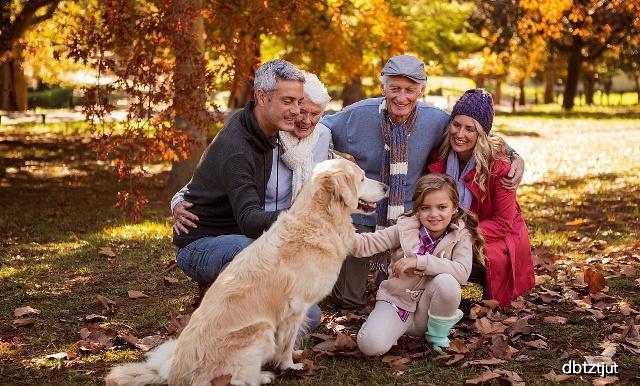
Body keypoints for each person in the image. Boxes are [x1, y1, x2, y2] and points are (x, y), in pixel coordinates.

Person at [317, 54, 525, 310]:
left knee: (397, 296)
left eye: (410, 90)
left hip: (408, 222)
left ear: (421, 90)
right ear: (383, 87)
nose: (401, 97)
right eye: (394, 88)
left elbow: (477, 130)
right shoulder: (358, 115)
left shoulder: (436, 121)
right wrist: (327, 164)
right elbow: (320, 128)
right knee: (348, 300)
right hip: (363, 217)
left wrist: (514, 155)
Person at [171, 66, 332, 329]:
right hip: (202, 244)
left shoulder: (263, 128)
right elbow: (248, 219)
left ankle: (259, 323)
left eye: (299, 102)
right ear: (262, 97)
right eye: (287, 101)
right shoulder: (238, 149)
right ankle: (226, 331)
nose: (297, 111)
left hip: (242, 240)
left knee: (308, 316)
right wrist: (305, 217)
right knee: (256, 257)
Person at [350, 174, 485, 355]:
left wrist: (419, 261)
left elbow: (461, 272)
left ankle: (437, 335)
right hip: (397, 302)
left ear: (454, 208)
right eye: (426, 208)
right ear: (417, 210)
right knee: (370, 346)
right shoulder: (405, 229)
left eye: (442, 207)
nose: (434, 214)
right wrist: (336, 233)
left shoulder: (462, 234)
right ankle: (390, 327)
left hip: (429, 312)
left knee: (447, 282)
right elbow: (367, 244)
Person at [427, 88, 535, 307]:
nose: (460, 134)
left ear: (481, 133)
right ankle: (454, 291)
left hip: (490, 240)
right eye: (456, 125)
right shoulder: (439, 157)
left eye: (470, 129)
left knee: (446, 263)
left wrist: (458, 234)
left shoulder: (500, 167)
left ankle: (471, 292)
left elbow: (503, 223)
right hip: (448, 230)